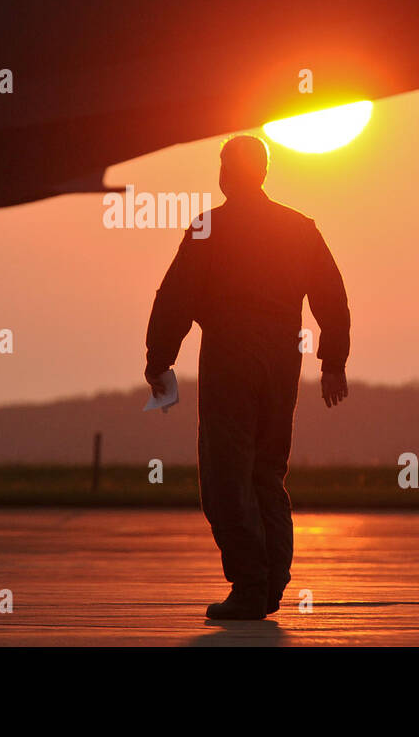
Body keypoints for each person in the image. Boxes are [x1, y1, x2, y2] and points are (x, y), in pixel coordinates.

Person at [144, 134, 351, 620]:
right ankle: (272, 581)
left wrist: (158, 361)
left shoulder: (208, 230)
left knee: (225, 476)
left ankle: (251, 583)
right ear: (262, 172)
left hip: (230, 360)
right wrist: (333, 361)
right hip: (283, 361)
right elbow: (332, 297)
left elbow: (173, 298)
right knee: (267, 473)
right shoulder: (299, 228)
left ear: (226, 173)